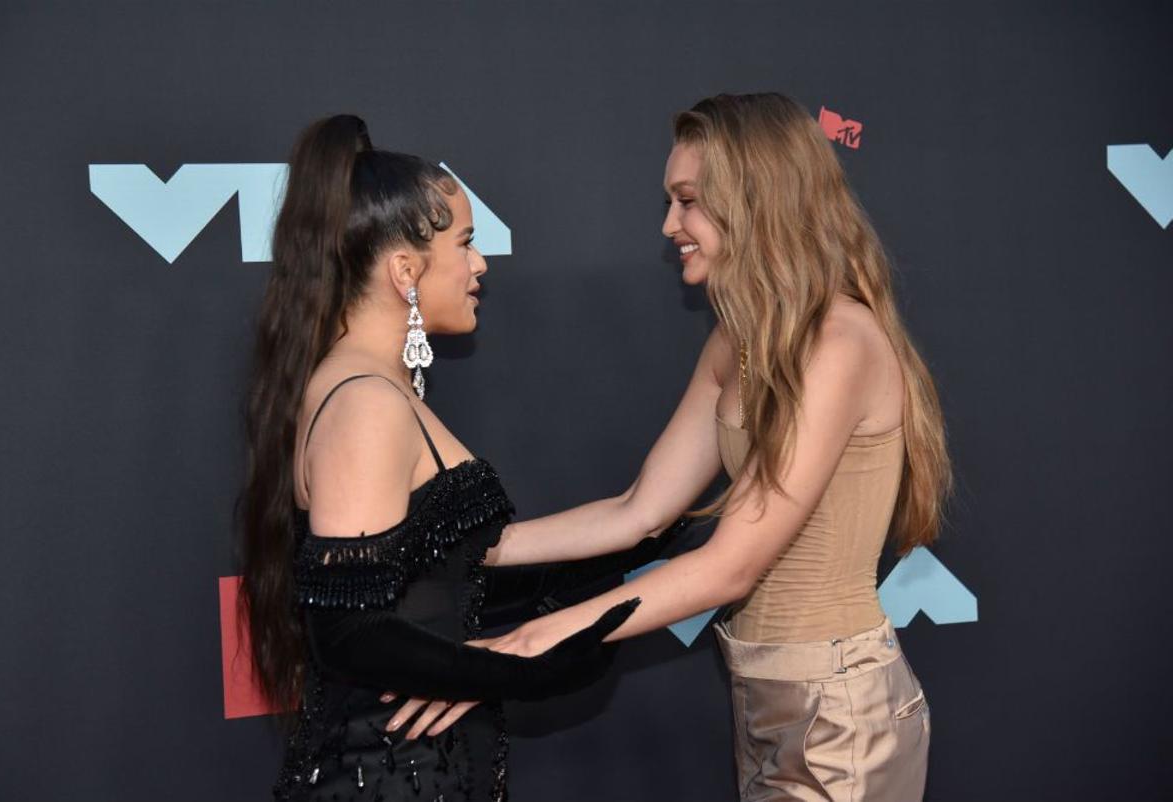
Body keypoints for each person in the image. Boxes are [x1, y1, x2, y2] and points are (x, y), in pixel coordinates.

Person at [393, 92, 953, 802]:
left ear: (758, 200)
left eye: (687, 201)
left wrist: (524, 644)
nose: (669, 225)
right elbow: (638, 511)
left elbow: (729, 566)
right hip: (767, 695)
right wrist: (468, 546)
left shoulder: (837, 342)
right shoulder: (736, 339)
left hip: (840, 708)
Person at [235, 114, 645, 802]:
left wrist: (641, 540)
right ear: (405, 271)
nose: (481, 264)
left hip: (416, 767)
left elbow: (440, 580)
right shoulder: (365, 402)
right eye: (466, 243)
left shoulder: (370, 386)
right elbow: (349, 632)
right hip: (384, 776)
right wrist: (524, 671)